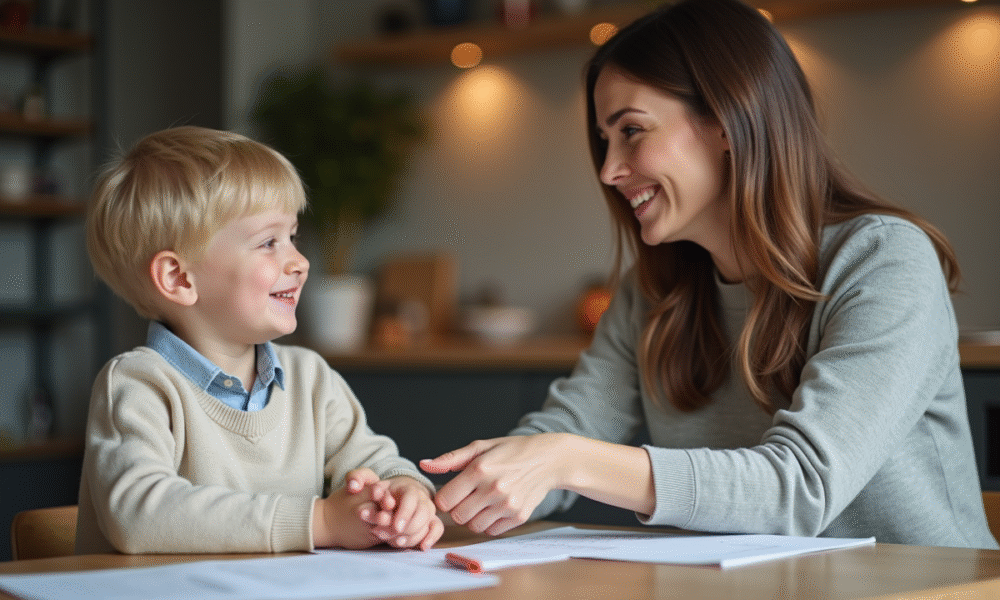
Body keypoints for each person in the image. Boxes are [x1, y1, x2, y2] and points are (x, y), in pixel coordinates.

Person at [421, 0, 998, 549]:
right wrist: (425, 505)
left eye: (631, 131)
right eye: (603, 140)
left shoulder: (885, 261)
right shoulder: (651, 295)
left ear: (726, 121)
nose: (610, 170)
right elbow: (565, 430)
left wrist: (567, 459)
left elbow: (800, 487)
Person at [77, 126, 443, 554]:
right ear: (179, 278)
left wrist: (402, 495)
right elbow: (137, 514)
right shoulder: (139, 384)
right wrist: (318, 520)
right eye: (269, 242)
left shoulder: (311, 379)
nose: (300, 262)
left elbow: (374, 460)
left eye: (293, 237)